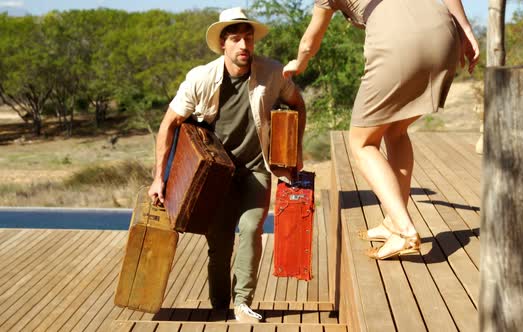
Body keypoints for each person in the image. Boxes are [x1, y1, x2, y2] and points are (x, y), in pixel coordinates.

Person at [283, 0, 479, 259]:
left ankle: (405, 231)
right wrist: (465, 28)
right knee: (396, 131)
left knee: (362, 143)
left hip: (399, 43)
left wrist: (299, 63)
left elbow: (310, 41)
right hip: (444, 36)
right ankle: (392, 221)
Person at [148, 7, 306, 322]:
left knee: (250, 229)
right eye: (236, 39)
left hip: (256, 169)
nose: (244, 46)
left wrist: (293, 153)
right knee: (219, 243)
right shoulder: (200, 78)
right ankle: (220, 305)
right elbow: (169, 125)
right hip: (215, 174)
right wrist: (158, 179)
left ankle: (242, 302)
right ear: (223, 44)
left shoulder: (272, 72)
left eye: (248, 38)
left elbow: (297, 104)